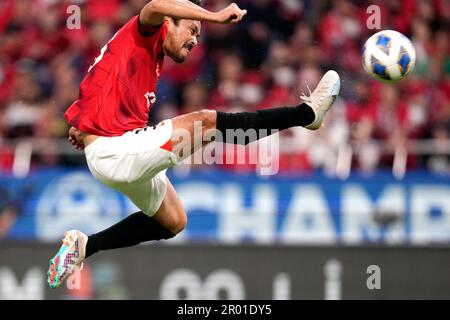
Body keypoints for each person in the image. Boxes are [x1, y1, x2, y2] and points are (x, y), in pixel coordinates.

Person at [47, 0, 341, 288]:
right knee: (206, 123)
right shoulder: (145, 30)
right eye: (191, 29)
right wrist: (214, 16)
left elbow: (102, 83)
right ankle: (306, 114)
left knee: (173, 221)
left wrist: (82, 126)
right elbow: (155, 6)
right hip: (114, 151)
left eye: (199, 35)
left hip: (118, 153)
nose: (194, 40)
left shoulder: (141, 53)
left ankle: (86, 245)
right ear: (168, 22)